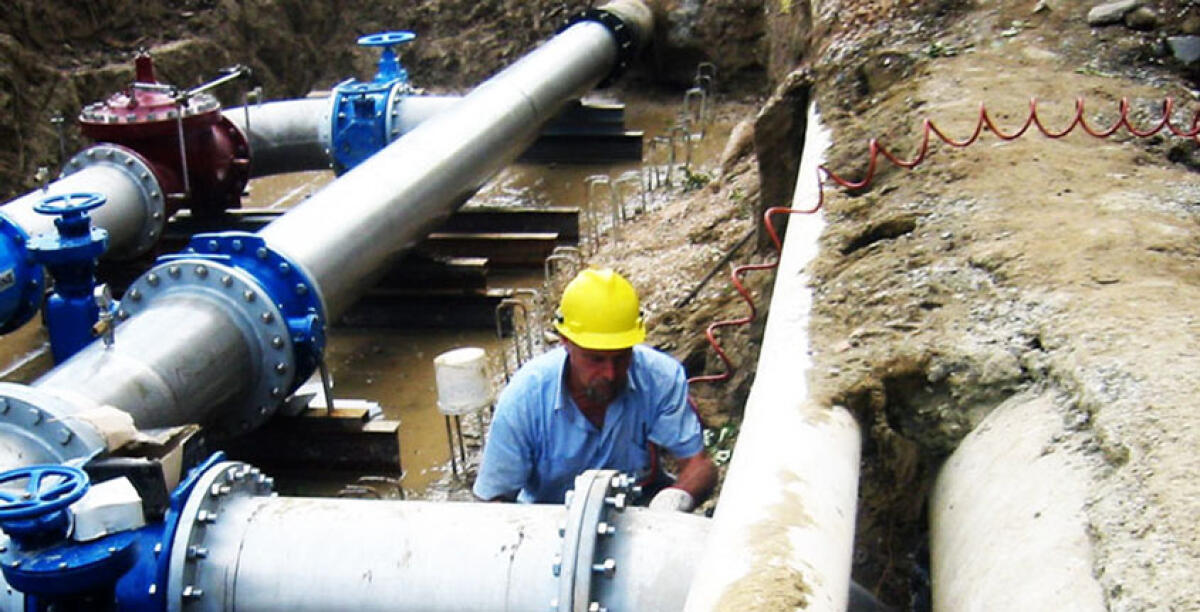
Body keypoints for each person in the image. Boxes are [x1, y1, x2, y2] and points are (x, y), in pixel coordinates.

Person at [473, 267, 717, 512]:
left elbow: (699, 465)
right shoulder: (525, 399)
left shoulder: (660, 378)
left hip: (638, 511)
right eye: (596, 359)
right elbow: (493, 503)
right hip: (549, 521)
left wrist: (675, 499)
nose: (610, 374)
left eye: (621, 357)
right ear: (565, 342)